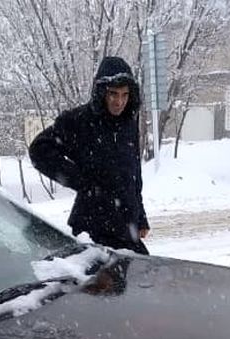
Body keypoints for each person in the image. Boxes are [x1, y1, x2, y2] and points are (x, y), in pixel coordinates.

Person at [29, 56, 151, 253]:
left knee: (144, 278)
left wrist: (141, 217)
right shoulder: (80, 121)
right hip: (92, 229)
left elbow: (133, 174)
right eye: (113, 94)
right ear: (101, 91)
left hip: (126, 229)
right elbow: (39, 150)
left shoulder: (128, 123)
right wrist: (83, 183)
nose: (119, 102)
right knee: (98, 283)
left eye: (124, 95)